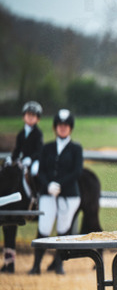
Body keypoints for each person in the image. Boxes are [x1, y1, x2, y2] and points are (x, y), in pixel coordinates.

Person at [29, 109, 83, 275]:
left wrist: (59, 184)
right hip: (48, 193)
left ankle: (59, 263)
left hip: (68, 195)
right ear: (55, 127)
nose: (62, 128)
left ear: (70, 128)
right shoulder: (48, 148)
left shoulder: (76, 148)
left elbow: (77, 171)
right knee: (44, 228)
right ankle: (36, 264)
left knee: (63, 229)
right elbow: (41, 170)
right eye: (60, 125)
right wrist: (48, 184)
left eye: (66, 126)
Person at [3, 101, 45, 273]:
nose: (30, 118)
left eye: (33, 116)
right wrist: (11, 158)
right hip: (21, 160)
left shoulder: (38, 133)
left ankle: (37, 195)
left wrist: (30, 159)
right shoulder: (21, 133)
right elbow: (17, 150)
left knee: (35, 171)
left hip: (33, 161)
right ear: (24, 117)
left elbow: (39, 151)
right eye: (28, 115)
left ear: (37, 119)